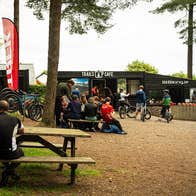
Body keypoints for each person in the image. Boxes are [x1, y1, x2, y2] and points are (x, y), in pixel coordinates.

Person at [0, 100, 24, 186]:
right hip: (10, 152)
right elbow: (22, 132)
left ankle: (8, 170)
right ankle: (8, 171)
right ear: (8, 109)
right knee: (21, 152)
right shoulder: (15, 119)